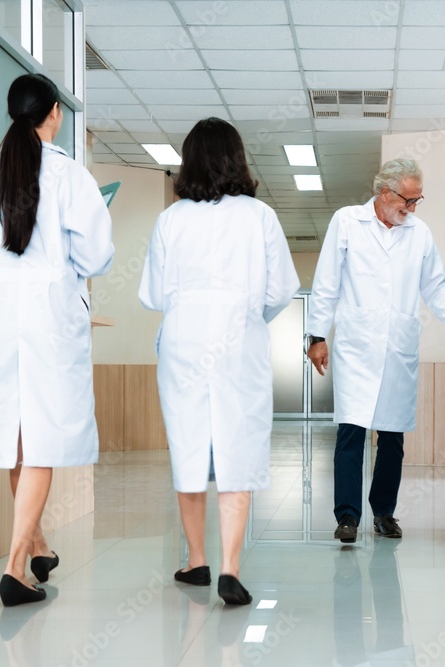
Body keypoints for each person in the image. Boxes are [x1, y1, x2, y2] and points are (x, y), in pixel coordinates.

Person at [0, 73, 114, 606]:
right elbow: (96, 256)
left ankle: (37, 544)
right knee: (40, 438)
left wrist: (0, 280)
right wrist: (58, 275)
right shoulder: (69, 176)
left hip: (1, 316)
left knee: (18, 434)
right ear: (54, 114)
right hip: (51, 315)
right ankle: (16, 566)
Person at [139, 117, 300, 606]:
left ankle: (196, 560)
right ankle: (230, 568)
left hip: (185, 339)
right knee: (239, 445)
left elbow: (152, 295)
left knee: (187, 445)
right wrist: (249, 316)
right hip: (241, 339)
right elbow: (280, 291)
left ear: (188, 161)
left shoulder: (171, 218)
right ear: (237, 159)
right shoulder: (260, 215)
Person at [306, 158, 445, 544]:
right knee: (351, 431)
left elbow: (438, 290)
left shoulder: (419, 233)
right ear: (384, 193)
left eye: (416, 200)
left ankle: (384, 512)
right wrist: (316, 336)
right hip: (357, 347)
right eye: (407, 200)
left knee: (392, 437)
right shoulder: (347, 222)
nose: (411, 208)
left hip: (398, 347)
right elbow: (326, 283)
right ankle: (347, 517)